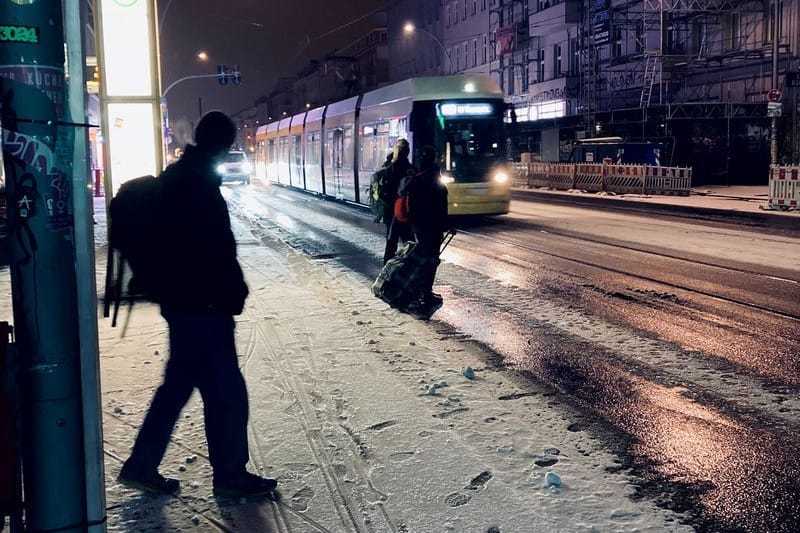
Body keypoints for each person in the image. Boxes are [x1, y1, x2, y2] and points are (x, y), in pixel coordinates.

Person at [118, 111, 277, 499]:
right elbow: (211, 251)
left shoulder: (182, 178)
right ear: (222, 144)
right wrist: (230, 290)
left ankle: (144, 465)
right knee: (227, 394)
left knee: (182, 388)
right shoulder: (196, 186)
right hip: (202, 307)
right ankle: (229, 475)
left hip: (186, 304)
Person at [399, 145, 449, 309]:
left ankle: (420, 290)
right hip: (432, 226)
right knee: (431, 260)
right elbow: (441, 205)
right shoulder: (434, 177)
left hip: (418, 226)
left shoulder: (416, 176)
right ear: (433, 158)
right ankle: (425, 292)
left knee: (423, 259)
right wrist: (445, 224)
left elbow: (407, 198)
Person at [381, 139, 415, 264]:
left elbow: (383, 192)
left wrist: (392, 204)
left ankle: (387, 271)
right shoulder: (411, 169)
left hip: (392, 213)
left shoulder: (389, 169)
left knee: (391, 243)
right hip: (406, 213)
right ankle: (409, 270)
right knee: (409, 243)